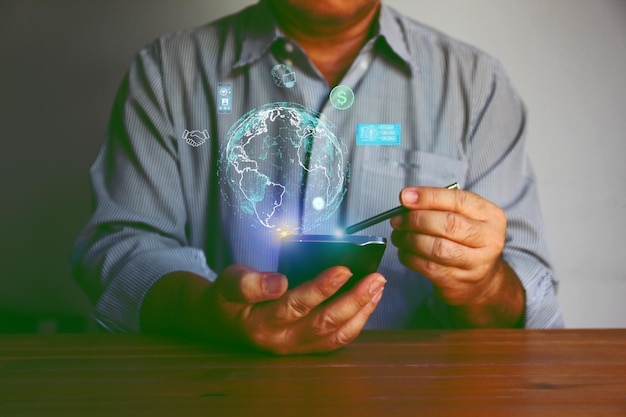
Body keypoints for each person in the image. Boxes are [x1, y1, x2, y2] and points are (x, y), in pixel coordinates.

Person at [71, 0, 564, 354]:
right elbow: (122, 246)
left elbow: (528, 302)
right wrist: (210, 313)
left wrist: (481, 286)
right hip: (216, 392)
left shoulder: (476, 85)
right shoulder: (167, 71)